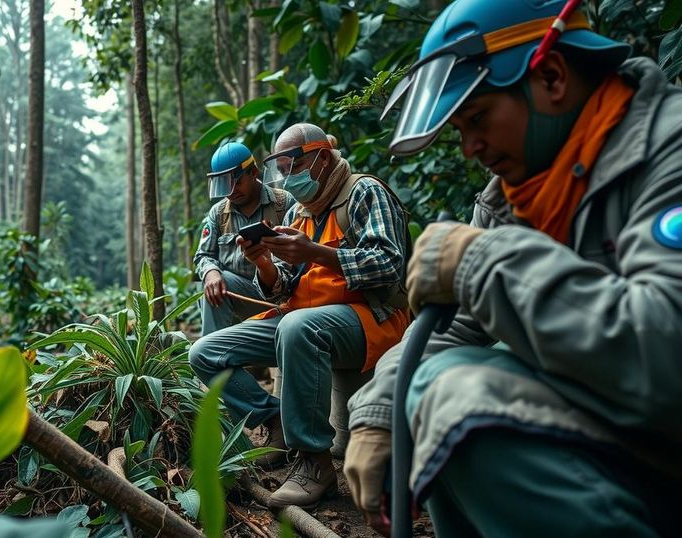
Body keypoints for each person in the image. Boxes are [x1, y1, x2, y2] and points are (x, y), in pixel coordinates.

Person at [343, 1, 682, 536]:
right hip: (621, 441)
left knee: (449, 394)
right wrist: (380, 410)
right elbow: (456, 325)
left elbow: (663, 353)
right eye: (459, 129)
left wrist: (478, 261)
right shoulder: (515, 194)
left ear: (551, 76)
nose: (471, 147)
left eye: (477, 119)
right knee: (422, 390)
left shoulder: (670, 152)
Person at [189, 123, 411, 509]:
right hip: (303, 318)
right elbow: (283, 289)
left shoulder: (364, 192)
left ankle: (314, 464)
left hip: (368, 318)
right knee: (205, 353)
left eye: (294, 164)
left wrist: (317, 253)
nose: (289, 176)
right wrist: (263, 263)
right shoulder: (296, 210)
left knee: (296, 326)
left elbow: (390, 265)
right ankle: (275, 417)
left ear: (322, 158)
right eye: (282, 168)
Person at [194, 142, 296, 336]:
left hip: (284, 299)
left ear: (254, 173)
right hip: (241, 300)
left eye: (236, 182)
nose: (231, 191)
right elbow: (203, 256)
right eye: (224, 185)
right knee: (213, 284)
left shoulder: (283, 204)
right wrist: (211, 273)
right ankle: (212, 357)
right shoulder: (218, 214)